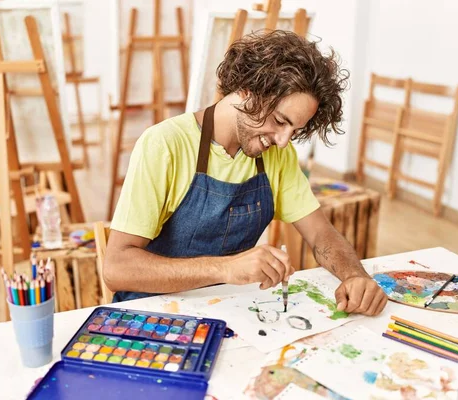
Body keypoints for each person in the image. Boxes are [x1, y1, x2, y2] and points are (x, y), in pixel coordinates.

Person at [104, 30, 387, 316]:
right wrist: (226, 268)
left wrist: (355, 275)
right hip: (147, 315)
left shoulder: (277, 154)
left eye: (295, 130)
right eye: (279, 121)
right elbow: (116, 268)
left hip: (224, 310)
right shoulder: (165, 144)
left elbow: (321, 234)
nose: (283, 140)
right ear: (246, 89)